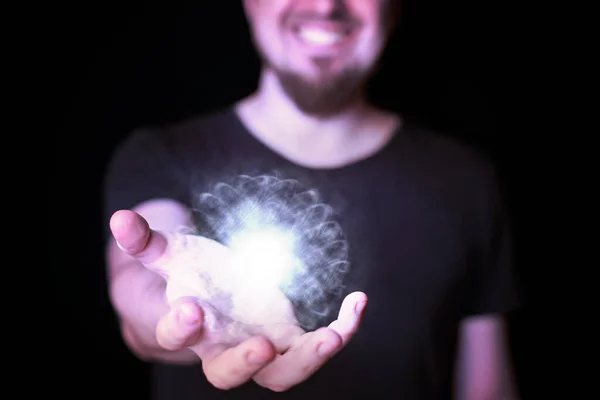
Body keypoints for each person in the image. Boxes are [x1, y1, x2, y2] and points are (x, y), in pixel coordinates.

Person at [104, 0, 520, 399]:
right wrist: (184, 314)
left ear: (391, 9)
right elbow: (140, 297)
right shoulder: (163, 155)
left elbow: (486, 388)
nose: (325, 5)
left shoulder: (464, 179)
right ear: (253, 2)